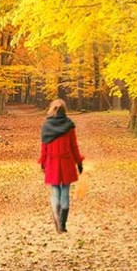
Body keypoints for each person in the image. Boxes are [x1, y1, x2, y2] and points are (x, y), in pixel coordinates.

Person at [39, 99, 84, 233]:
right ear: (65, 110)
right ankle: (62, 224)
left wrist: (42, 163)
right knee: (65, 193)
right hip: (67, 163)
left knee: (55, 192)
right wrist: (79, 162)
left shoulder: (46, 126)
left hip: (52, 163)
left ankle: (57, 220)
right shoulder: (69, 125)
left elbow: (44, 148)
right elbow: (74, 146)